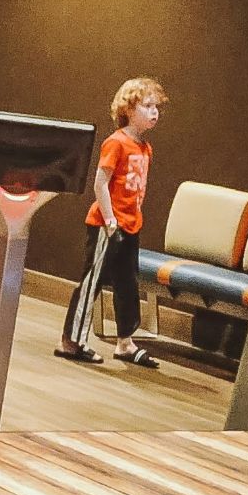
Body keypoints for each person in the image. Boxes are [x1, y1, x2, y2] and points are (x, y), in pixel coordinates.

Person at [56, 78, 167, 368]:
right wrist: (110, 220)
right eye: (147, 106)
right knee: (92, 281)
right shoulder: (116, 143)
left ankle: (125, 342)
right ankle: (71, 340)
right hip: (108, 225)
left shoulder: (145, 148)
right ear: (129, 109)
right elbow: (100, 183)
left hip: (131, 224)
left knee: (127, 283)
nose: (154, 112)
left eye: (157, 107)